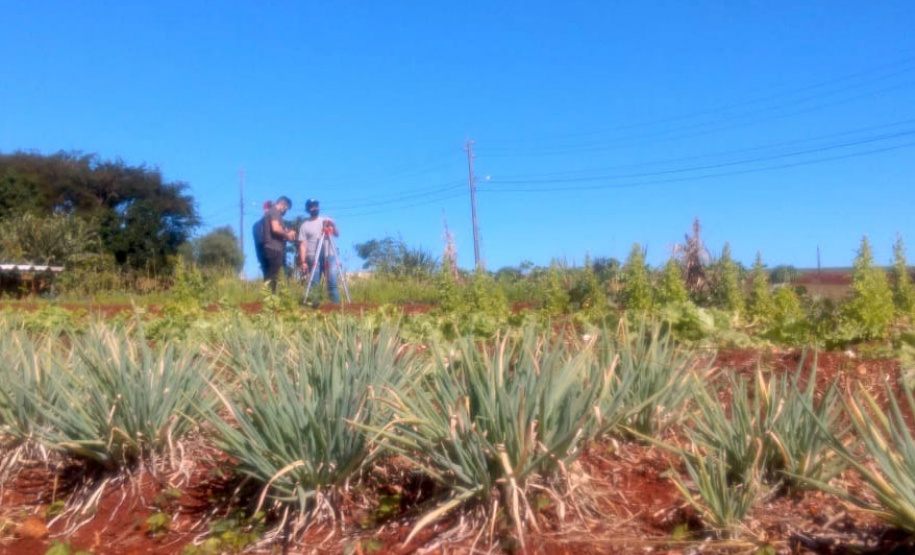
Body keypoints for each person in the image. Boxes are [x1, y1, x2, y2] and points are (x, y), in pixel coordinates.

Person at [297, 198, 340, 303]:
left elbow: (337, 234)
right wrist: (303, 262)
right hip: (313, 256)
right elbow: (302, 245)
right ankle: (315, 307)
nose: (315, 208)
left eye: (316, 205)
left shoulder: (325, 221)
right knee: (314, 283)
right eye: (312, 206)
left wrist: (332, 225)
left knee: (332, 283)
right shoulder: (304, 226)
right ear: (308, 209)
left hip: (329, 255)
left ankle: (336, 307)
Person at [262, 196, 296, 292]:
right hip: (274, 249)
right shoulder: (275, 212)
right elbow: (276, 228)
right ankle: (271, 299)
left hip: (270, 248)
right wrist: (287, 235)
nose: (285, 211)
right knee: (273, 277)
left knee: (270, 277)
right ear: (284, 205)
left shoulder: (271, 212)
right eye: (286, 209)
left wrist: (287, 233)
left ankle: (269, 298)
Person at [251, 200, 274, 278]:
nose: (271, 211)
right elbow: (260, 241)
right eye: (269, 208)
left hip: (279, 257)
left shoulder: (278, 224)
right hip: (265, 257)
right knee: (268, 280)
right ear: (264, 210)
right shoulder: (258, 225)